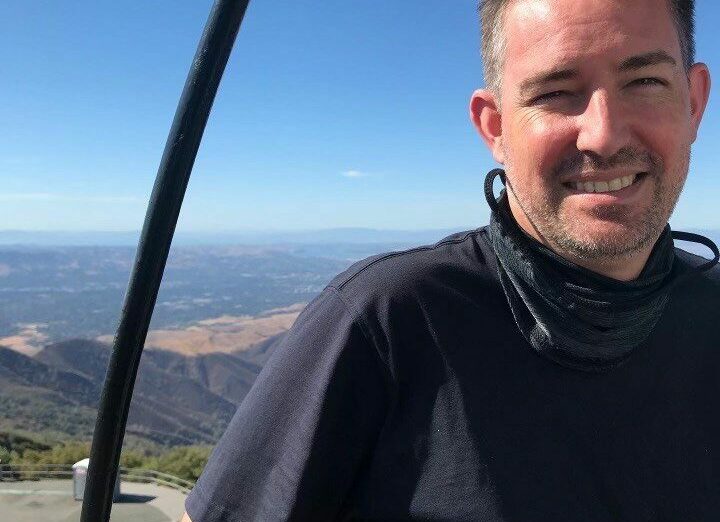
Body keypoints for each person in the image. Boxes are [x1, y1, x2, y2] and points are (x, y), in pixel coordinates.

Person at [183, 0, 718, 519]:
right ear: (495, 128)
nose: (603, 136)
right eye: (556, 92)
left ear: (693, 102)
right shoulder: (388, 321)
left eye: (645, 83)